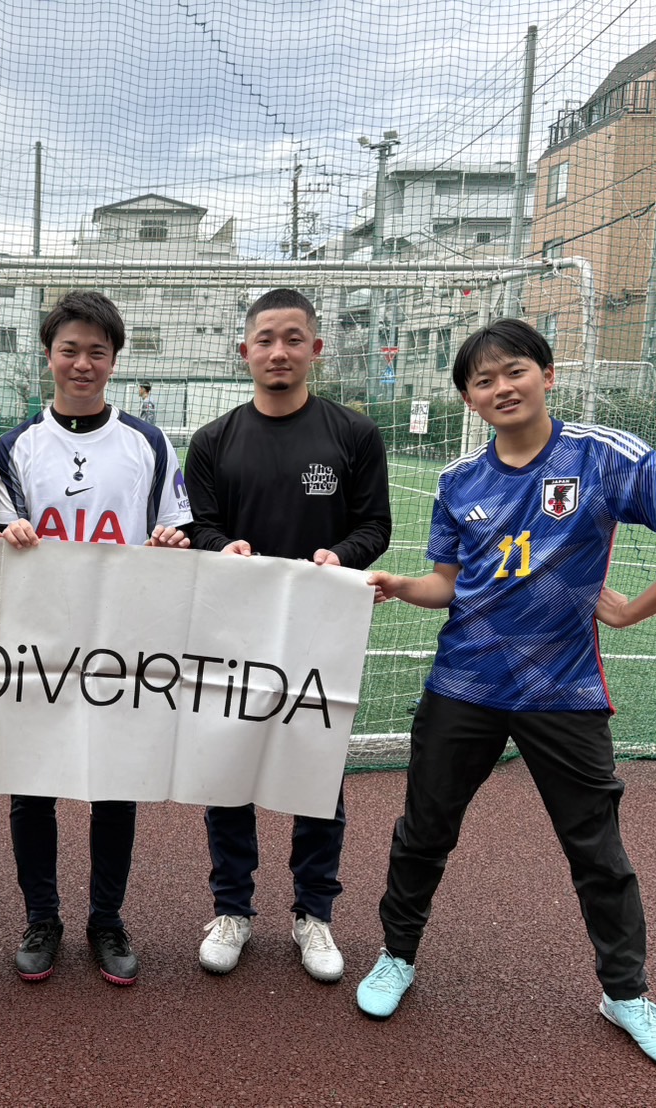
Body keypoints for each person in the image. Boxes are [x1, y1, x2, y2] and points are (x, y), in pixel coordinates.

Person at [355, 318, 656, 1073]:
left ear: (548, 375)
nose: (501, 387)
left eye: (514, 371)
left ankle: (625, 994)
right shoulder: (458, 481)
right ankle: (396, 955)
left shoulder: (603, 456)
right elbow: (449, 584)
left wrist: (633, 610)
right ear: (468, 399)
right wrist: (402, 585)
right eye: (483, 380)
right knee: (424, 829)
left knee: (596, 850)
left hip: (563, 690)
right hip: (464, 684)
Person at [183, 288, 390, 983]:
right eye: (266, 339)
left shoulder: (353, 434)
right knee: (228, 768)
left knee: (316, 772)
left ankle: (313, 913)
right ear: (244, 351)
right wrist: (224, 546)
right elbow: (199, 526)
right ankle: (231, 909)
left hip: (319, 632)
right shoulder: (212, 441)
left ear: (315, 349)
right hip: (231, 631)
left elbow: (374, 525)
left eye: (293, 338)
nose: (279, 351)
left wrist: (341, 556)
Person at [0, 289, 192, 986]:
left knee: (114, 786)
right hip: (38, 640)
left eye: (96, 352)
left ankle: (106, 918)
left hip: (120, 640)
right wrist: (7, 533)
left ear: (114, 360)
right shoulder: (14, 446)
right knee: (32, 789)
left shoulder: (148, 443)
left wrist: (171, 543)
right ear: (48, 355)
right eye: (69, 350)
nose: (82, 364)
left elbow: (175, 529)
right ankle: (41, 917)